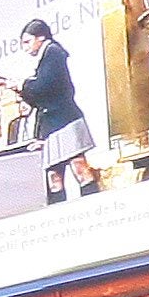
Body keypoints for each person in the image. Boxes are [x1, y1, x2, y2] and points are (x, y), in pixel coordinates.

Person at [15, 19, 91, 199]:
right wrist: (23, 90)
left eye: (27, 42)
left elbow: (46, 85)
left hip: (64, 120)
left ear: (40, 37)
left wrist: (23, 85)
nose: (25, 48)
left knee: (78, 166)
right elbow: (41, 95)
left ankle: (93, 204)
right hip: (52, 124)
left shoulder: (53, 53)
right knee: (54, 176)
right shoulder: (48, 56)